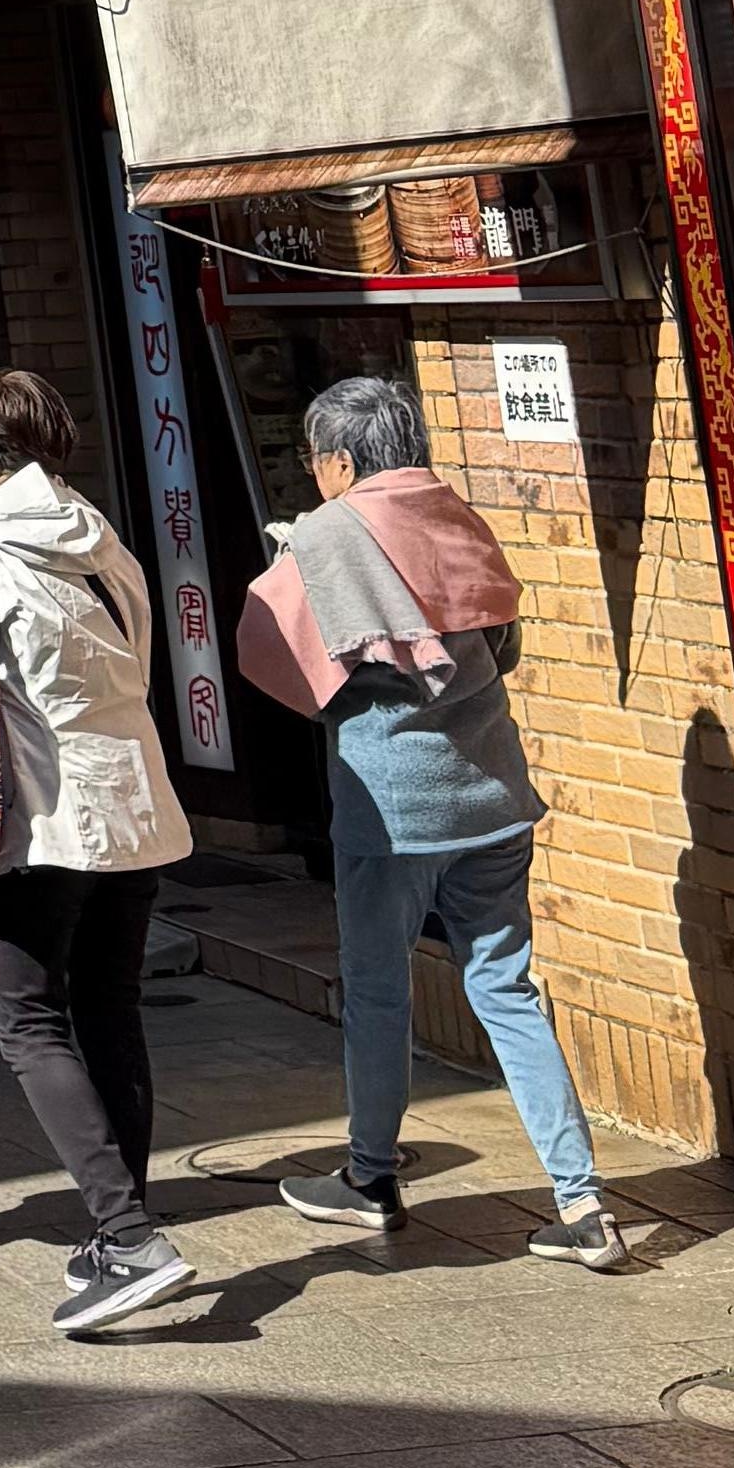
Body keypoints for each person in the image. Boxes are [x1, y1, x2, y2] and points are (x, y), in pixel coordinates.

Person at [242, 376, 622, 1269]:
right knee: (507, 991)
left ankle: (371, 1179)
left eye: (314, 458)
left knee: (378, 994)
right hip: (493, 793)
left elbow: (271, 655)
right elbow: (507, 644)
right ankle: (584, 1203)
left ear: (336, 460)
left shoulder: (327, 533)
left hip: (392, 810)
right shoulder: (456, 512)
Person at [0, 367, 198, 1337]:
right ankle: (123, 1236)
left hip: (41, 813)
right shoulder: (102, 539)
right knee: (111, 1009)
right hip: (136, 800)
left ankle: (133, 1237)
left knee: (27, 1022)